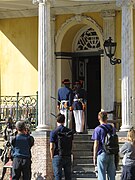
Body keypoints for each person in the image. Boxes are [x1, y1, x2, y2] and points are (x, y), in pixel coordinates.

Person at [92, 111, 116, 180]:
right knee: (111, 176)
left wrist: (94, 156)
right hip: (111, 152)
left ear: (98, 118)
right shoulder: (112, 128)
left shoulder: (97, 129)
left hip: (102, 152)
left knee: (101, 175)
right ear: (107, 118)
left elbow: (96, 144)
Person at [50, 113, 73, 180]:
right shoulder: (69, 131)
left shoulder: (54, 132)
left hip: (57, 156)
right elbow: (72, 143)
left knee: (58, 176)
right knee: (68, 176)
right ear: (64, 121)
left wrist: (52, 157)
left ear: (56, 121)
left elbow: (51, 147)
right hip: (67, 155)